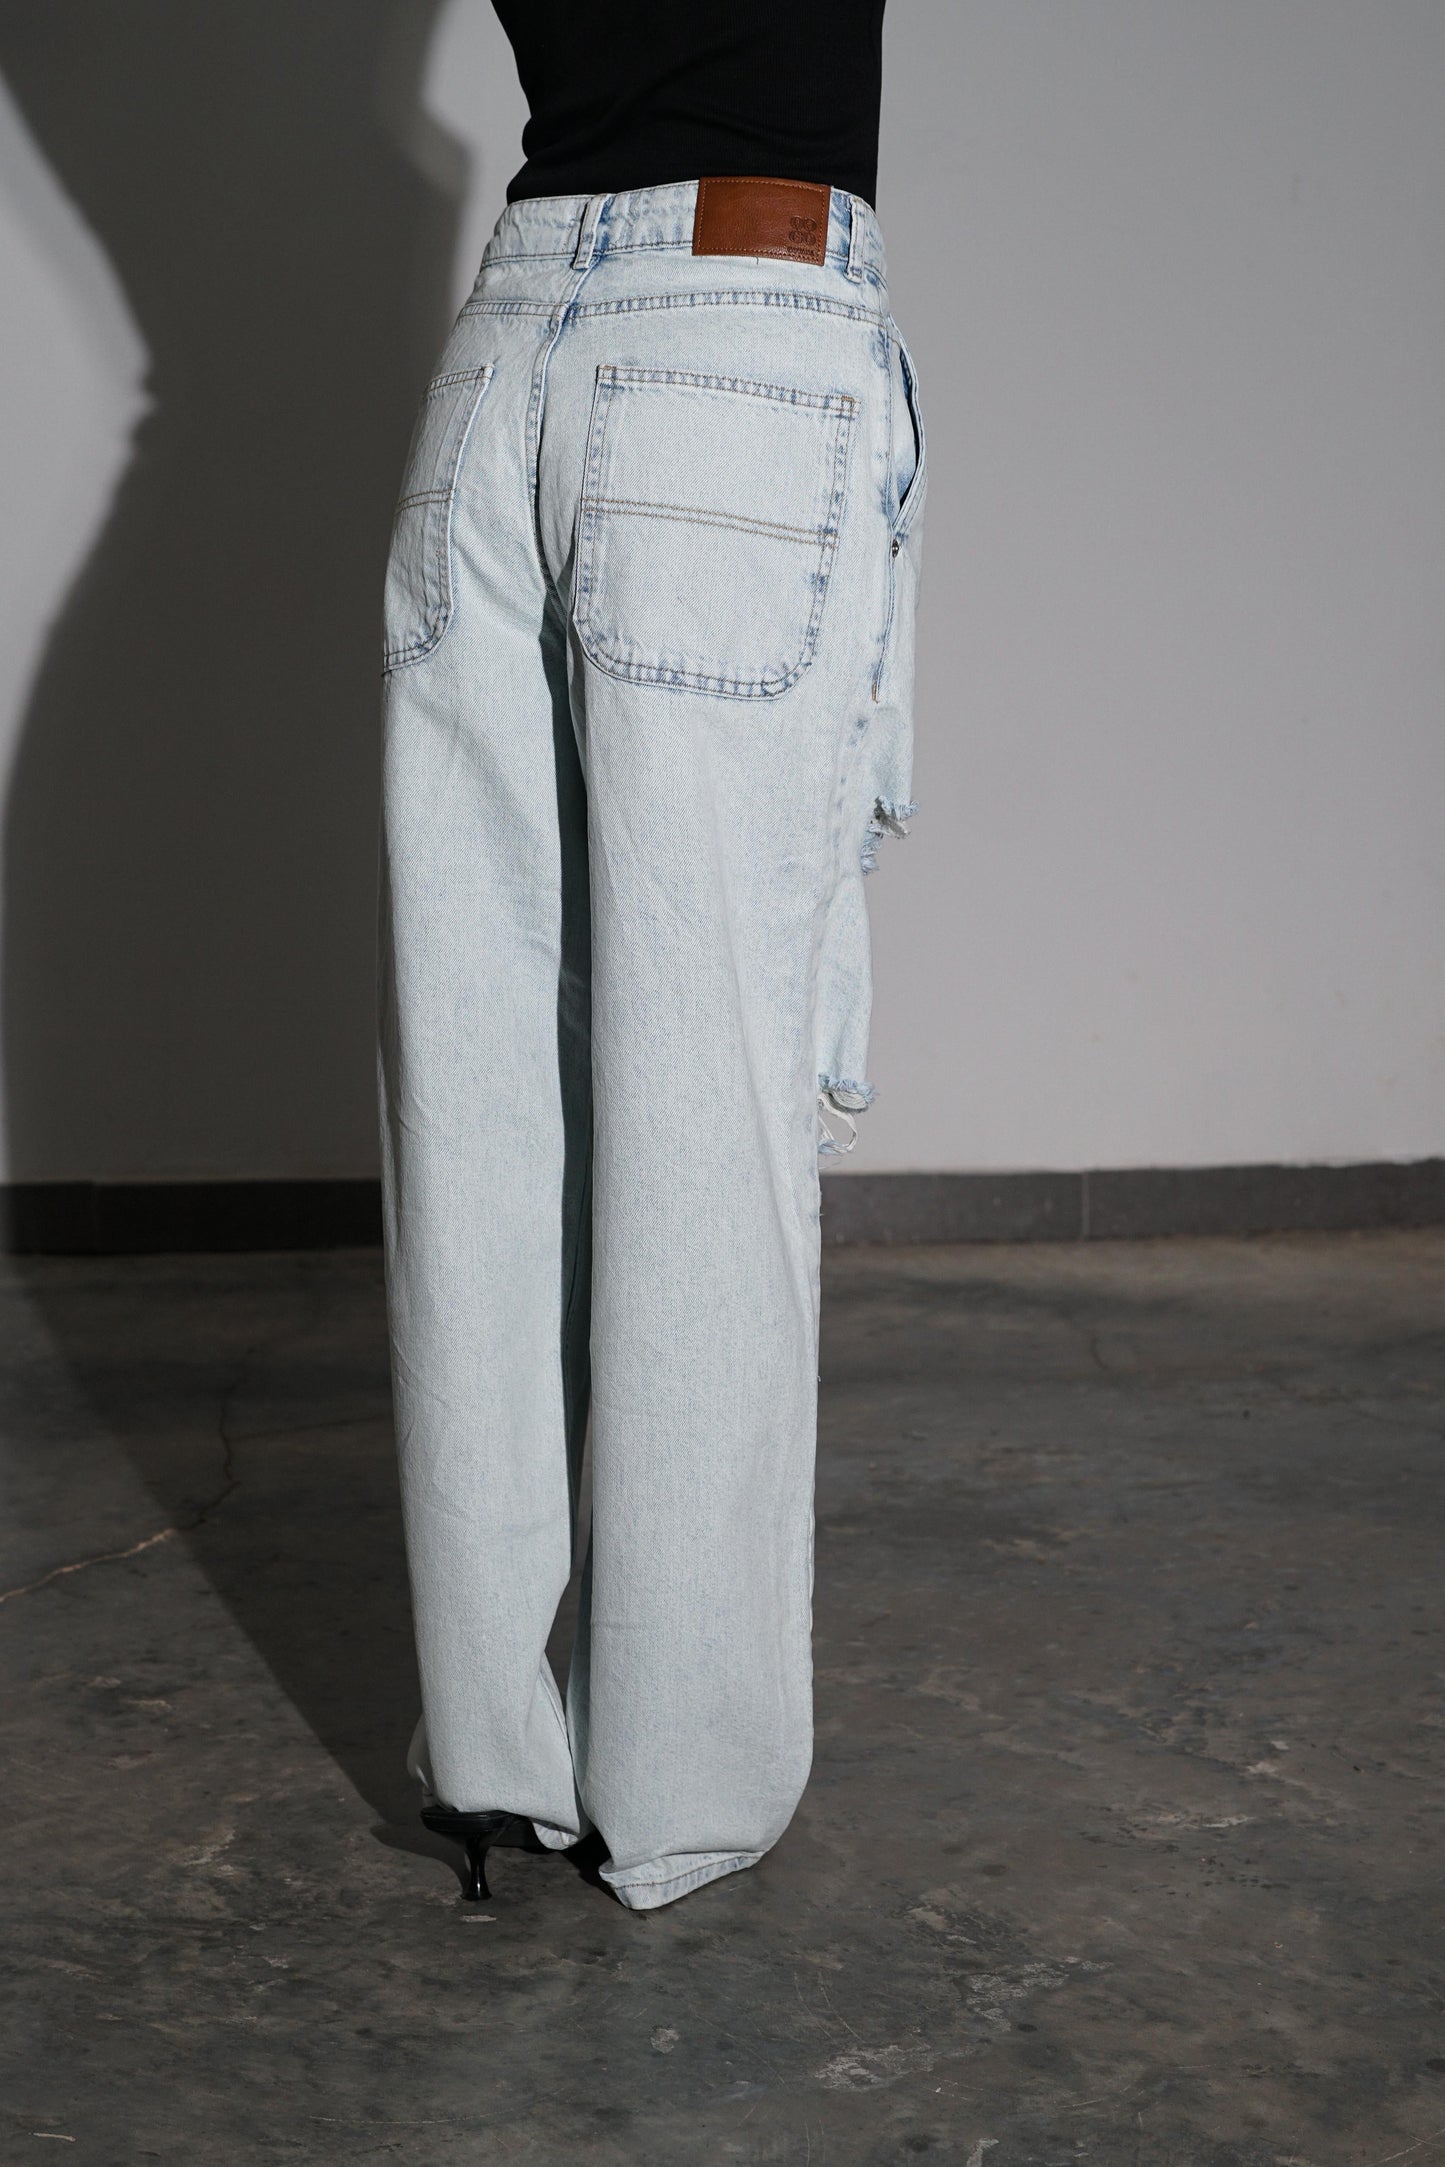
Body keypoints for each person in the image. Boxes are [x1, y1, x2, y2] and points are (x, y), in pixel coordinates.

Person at [377, 0, 925, 1911]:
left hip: (497, 361)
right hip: (736, 343)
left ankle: (494, 1762)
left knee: (479, 1110)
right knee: (705, 1107)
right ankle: (677, 1794)